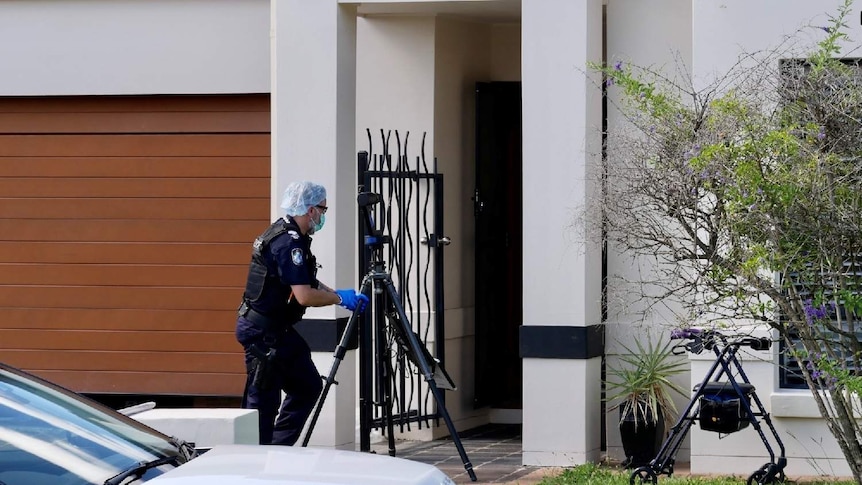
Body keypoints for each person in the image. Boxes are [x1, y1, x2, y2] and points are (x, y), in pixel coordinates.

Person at [235, 180, 369, 446]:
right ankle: (258, 461)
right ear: (311, 210)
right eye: (323, 210)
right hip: (262, 332)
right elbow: (304, 295)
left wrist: (339, 296)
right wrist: (339, 297)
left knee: (307, 386)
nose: (323, 216)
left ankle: (278, 448)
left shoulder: (291, 235)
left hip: (277, 330)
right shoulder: (288, 243)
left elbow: (305, 280)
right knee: (264, 401)